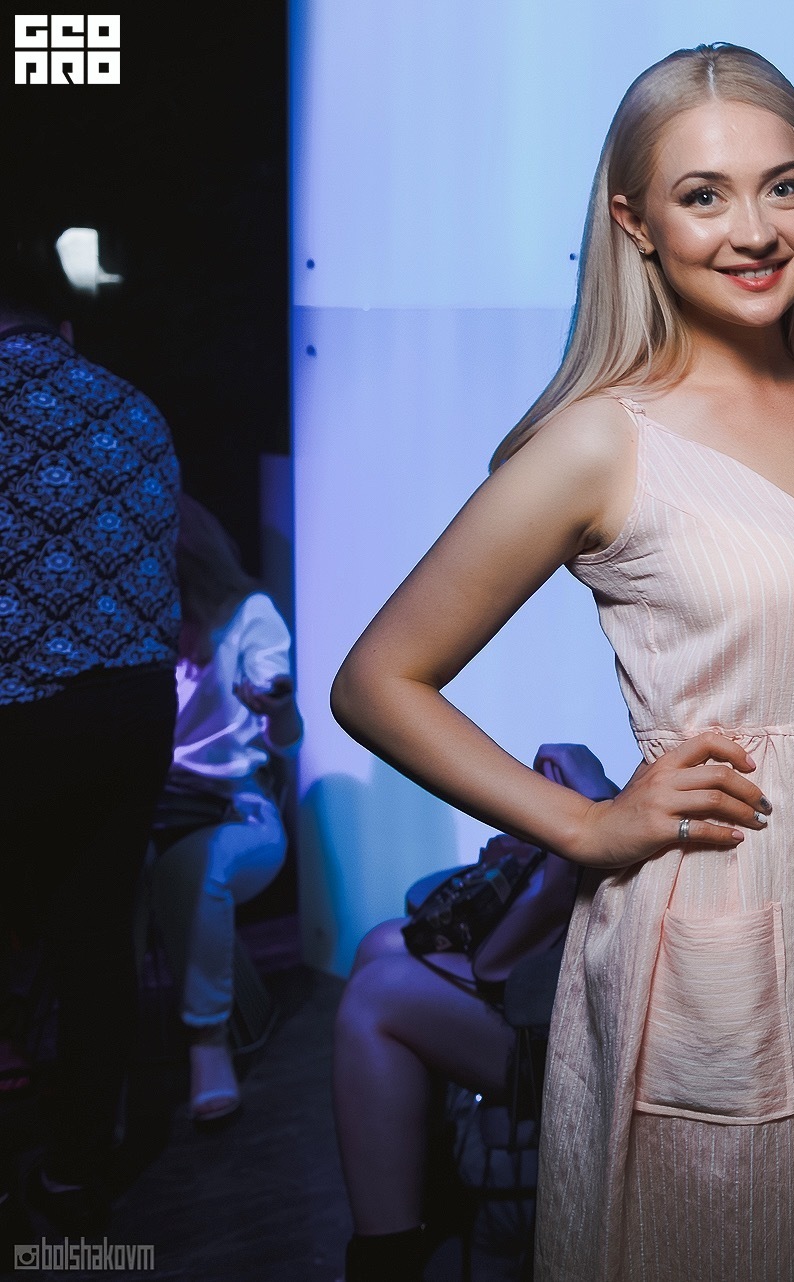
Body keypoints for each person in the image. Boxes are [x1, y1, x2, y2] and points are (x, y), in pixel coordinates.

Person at [329, 43, 794, 1282]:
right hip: (718, 928)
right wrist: (585, 826)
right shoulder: (604, 443)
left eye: (786, 186)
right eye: (704, 195)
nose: (756, 229)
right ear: (636, 223)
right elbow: (376, 681)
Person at [0, 260, 180, 1235]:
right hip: (133, 711)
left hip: (20, 708)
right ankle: (78, 1172)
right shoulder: (133, 404)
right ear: (62, 330)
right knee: (97, 942)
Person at [333, 743, 612, 1282]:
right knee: (380, 943)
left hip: (587, 1029)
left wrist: (578, 826)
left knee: (375, 998)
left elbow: (496, 965)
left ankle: (389, 1256)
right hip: (565, 983)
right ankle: (420, 1214)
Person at [147, 494, 300, 1123]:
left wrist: (276, 703)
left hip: (240, 808)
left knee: (200, 867)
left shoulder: (248, 615)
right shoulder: (144, 622)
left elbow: (284, 731)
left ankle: (207, 1041)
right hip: (156, 808)